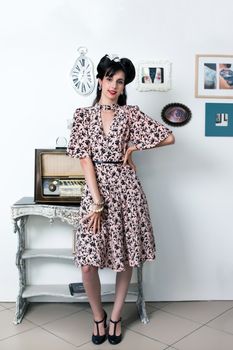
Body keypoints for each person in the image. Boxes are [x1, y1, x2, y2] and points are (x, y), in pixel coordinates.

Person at [66, 54, 175, 345]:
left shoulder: (130, 114)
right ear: (100, 80)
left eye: (121, 81)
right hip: (95, 193)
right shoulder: (82, 116)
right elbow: (85, 160)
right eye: (111, 79)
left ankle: (115, 317)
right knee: (88, 263)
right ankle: (98, 317)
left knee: (125, 256)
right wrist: (97, 200)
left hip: (127, 192)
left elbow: (168, 137)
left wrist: (133, 147)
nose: (115, 85)